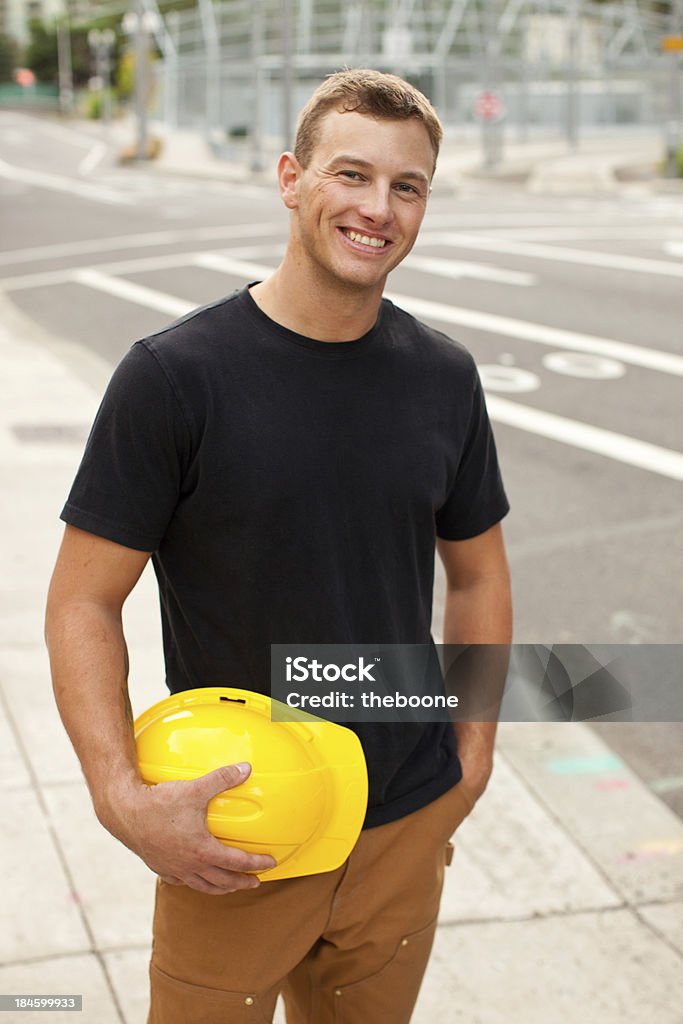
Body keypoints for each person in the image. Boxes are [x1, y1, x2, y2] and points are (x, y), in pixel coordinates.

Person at [45, 69, 511, 1023]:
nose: (377, 209)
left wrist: (470, 757)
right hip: (240, 833)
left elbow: (476, 576)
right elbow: (81, 601)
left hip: (405, 820)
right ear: (292, 178)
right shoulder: (173, 378)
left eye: (406, 186)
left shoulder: (445, 378)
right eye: (352, 175)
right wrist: (119, 797)